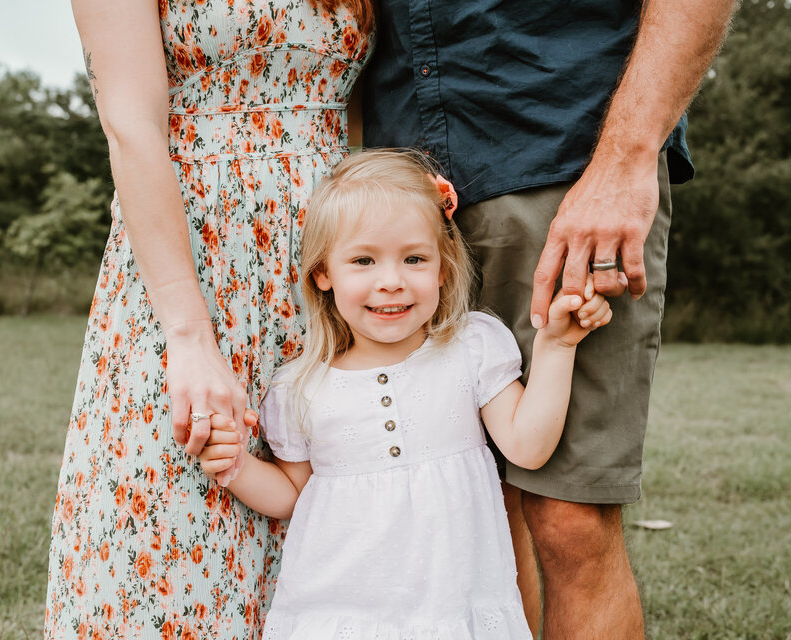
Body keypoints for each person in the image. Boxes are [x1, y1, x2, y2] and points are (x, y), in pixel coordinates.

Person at [361, 1, 737, 637]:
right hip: (397, 183)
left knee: (572, 518)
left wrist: (625, 161)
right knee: (465, 513)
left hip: (563, 157)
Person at [44, 0, 373, 637]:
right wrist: (189, 335)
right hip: (194, 252)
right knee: (176, 499)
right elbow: (131, 125)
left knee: (329, 502)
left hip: (327, 260)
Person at [196, 149, 612, 638]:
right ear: (323, 274)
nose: (391, 281)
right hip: (341, 605)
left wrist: (557, 345)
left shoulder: (470, 347)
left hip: (453, 601)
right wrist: (238, 467)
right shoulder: (300, 388)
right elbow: (292, 495)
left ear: (442, 267)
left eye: (414, 258)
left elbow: (528, 446)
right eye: (363, 260)